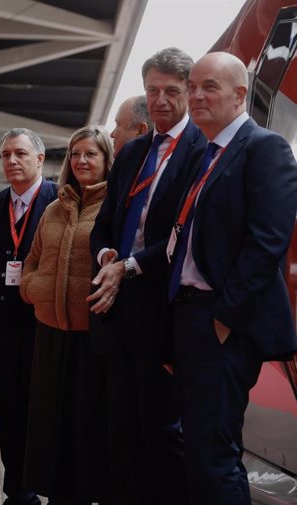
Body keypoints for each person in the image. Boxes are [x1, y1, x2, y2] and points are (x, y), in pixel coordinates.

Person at [167, 51, 297, 505]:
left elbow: (267, 244)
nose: (196, 96)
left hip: (222, 326)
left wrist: (223, 321)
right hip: (191, 318)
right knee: (197, 450)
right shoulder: (207, 153)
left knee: (214, 456)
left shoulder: (264, 148)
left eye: (210, 87)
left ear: (240, 95)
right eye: (193, 86)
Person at [88, 47, 206, 504]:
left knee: (160, 427)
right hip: (116, 308)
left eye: (171, 91)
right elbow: (105, 222)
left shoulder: (201, 149)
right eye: (152, 90)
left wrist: (130, 266)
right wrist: (105, 258)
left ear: (188, 93)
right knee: (119, 426)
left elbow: (186, 230)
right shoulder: (134, 151)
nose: (159, 100)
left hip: (163, 308)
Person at [20, 125, 112, 505]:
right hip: (50, 333)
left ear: (107, 160)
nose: (81, 161)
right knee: (49, 425)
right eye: (76, 154)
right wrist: (33, 289)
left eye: (91, 153)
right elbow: (31, 262)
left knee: (88, 426)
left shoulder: (114, 206)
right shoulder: (53, 210)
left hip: (94, 336)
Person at [0, 128, 59, 505]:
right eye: (6, 154)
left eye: (20, 154)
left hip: (45, 326)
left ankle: (52, 486)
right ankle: (18, 492)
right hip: (3, 331)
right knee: (8, 412)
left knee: (44, 411)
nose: (11, 161)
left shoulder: (58, 199)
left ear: (40, 159)